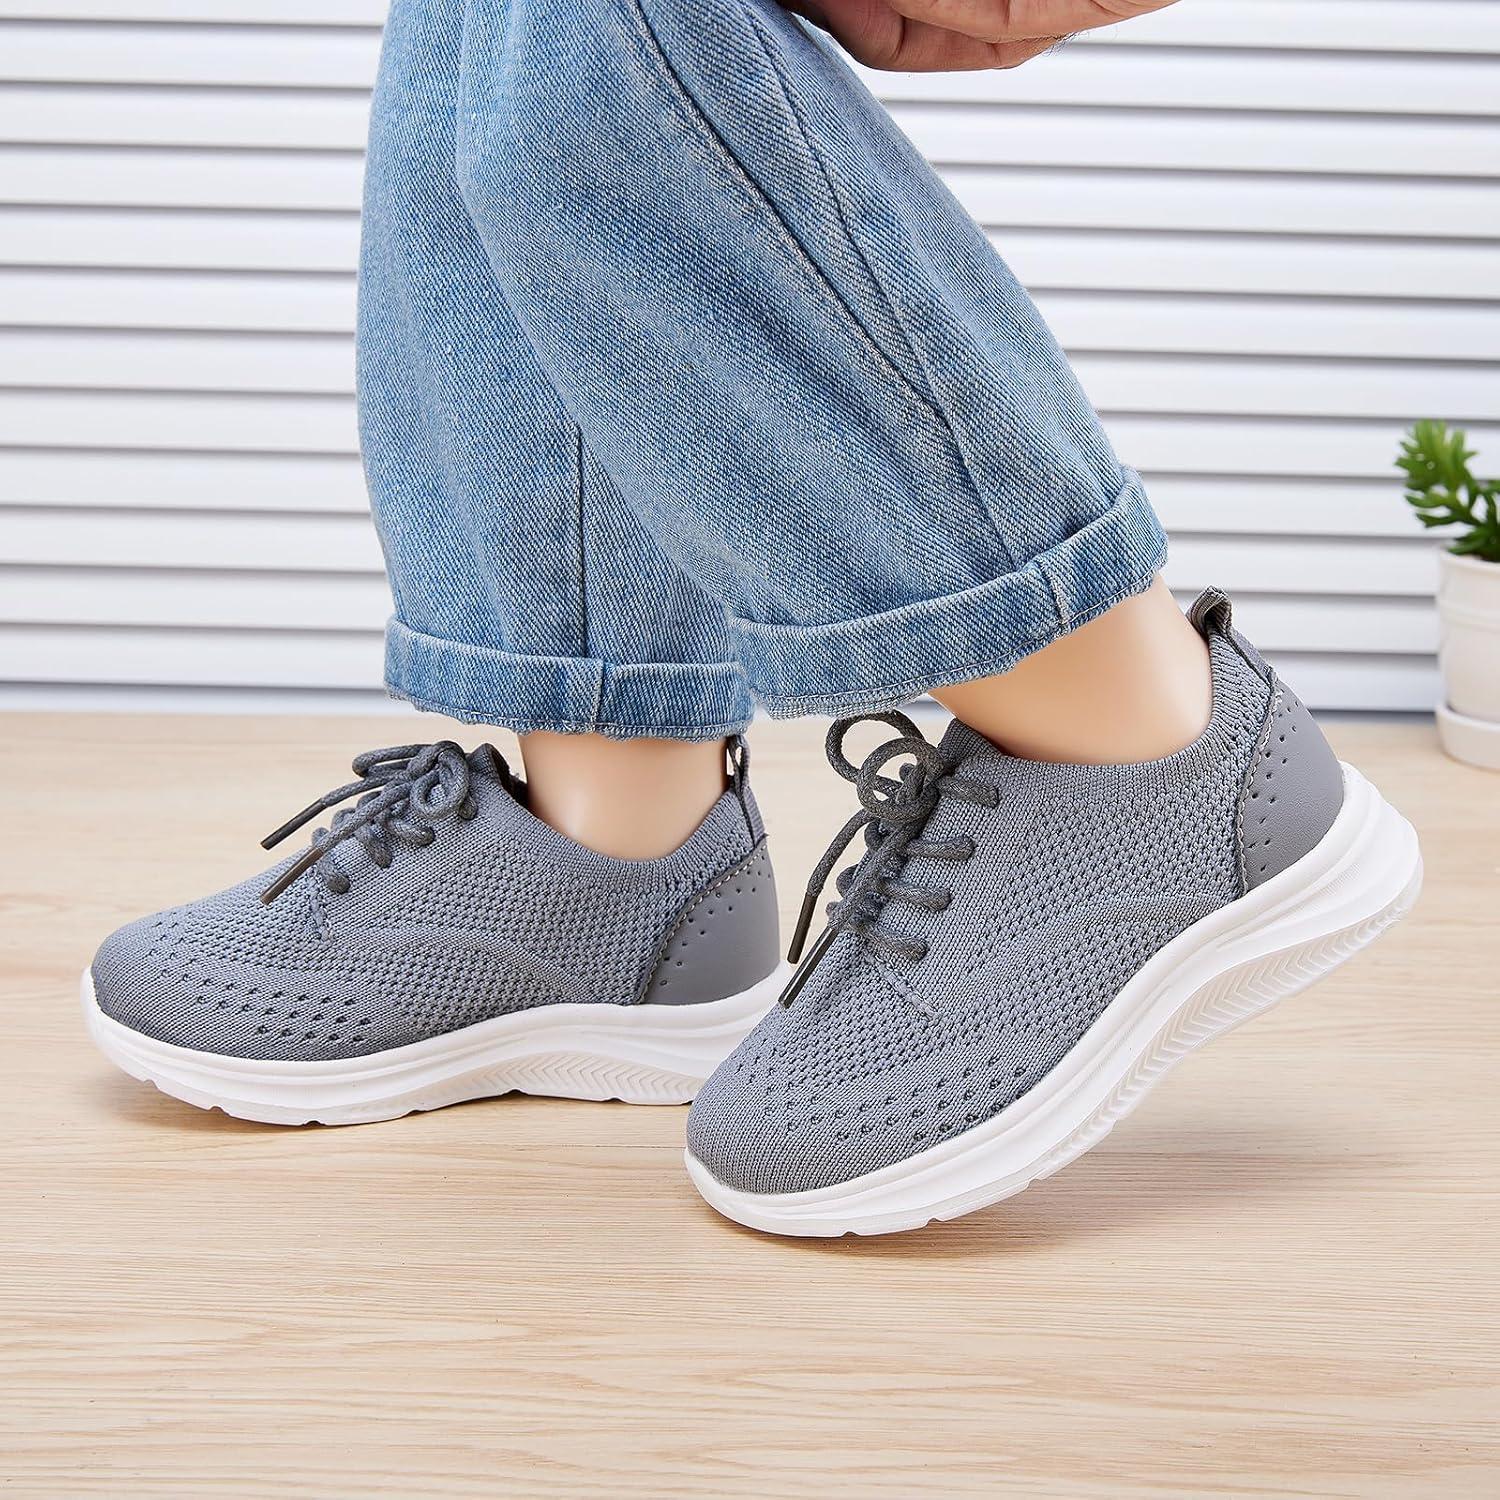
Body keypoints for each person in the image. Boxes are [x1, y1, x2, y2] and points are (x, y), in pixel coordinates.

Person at [82, 0, 1421, 1235]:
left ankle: (1134, 738)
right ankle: (615, 839)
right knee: (475, 50)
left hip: (1154, 772)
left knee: (585, 55)